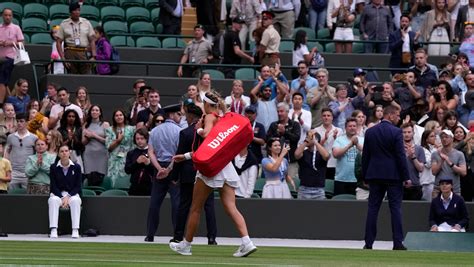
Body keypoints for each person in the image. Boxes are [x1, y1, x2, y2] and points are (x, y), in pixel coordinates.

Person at [169, 91, 257, 257]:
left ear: (207, 104)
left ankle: (186, 245)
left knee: (195, 208)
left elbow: (208, 137)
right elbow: (211, 148)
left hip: (212, 170)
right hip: (225, 166)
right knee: (231, 207)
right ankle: (247, 242)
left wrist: (199, 129)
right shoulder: (224, 118)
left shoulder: (209, 117)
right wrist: (187, 156)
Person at [362, 106, 410, 250]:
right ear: (390, 115)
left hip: (375, 175)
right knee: (395, 209)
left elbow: (366, 156)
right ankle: (397, 242)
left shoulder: (370, 132)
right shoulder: (396, 132)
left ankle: (368, 243)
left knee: (372, 209)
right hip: (393, 176)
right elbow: (401, 156)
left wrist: (365, 175)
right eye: (397, 115)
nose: (398, 118)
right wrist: (406, 176)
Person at [170, 103, 217, 244]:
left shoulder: (185, 133)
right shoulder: (210, 132)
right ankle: (212, 237)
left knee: (184, 205)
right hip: (205, 172)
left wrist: (174, 176)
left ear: (190, 115)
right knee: (208, 205)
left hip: (188, 173)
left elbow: (179, 156)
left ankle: (178, 236)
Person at [145, 104, 182, 242]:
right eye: (179, 114)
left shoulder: (154, 131)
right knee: (176, 203)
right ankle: (177, 235)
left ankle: (150, 234)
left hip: (158, 167)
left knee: (155, 202)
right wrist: (168, 169)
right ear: (173, 115)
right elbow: (179, 154)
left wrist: (159, 168)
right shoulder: (179, 131)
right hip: (173, 168)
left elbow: (150, 152)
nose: (180, 117)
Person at [48, 145, 82, 239]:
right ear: (58, 154)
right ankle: (53, 229)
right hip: (58, 194)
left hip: (72, 194)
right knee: (53, 200)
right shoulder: (53, 167)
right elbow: (53, 186)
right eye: (62, 151)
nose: (64, 153)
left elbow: (78, 186)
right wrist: (62, 197)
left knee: (75, 201)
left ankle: (75, 230)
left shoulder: (76, 167)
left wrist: (68, 196)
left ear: (69, 153)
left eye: (66, 151)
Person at [56, 2, 96, 74]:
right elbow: (58, 42)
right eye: (75, 10)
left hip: (84, 52)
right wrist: (63, 58)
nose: (77, 12)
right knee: (72, 76)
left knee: (85, 75)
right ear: (71, 12)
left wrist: (94, 56)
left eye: (78, 10)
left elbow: (92, 40)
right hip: (70, 52)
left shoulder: (86, 22)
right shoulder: (64, 24)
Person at [266, 102, 301, 178]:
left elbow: (296, 138)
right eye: (278, 111)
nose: (279, 113)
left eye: (281, 111)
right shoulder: (273, 125)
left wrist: (285, 132)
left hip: (290, 161)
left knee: (290, 185)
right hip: (275, 161)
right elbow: (267, 140)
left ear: (287, 112)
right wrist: (277, 134)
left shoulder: (295, 124)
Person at [4, 113, 37, 189]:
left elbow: (36, 154)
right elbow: (7, 151)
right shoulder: (10, 137)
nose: (19, 123)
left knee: (27, 197)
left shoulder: (34, 137)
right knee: (10, 196)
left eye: (21, 121)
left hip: (27, 172)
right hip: (13, 172)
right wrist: (7, 168)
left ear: (26, 122)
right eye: (17, 121)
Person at [0, 8, 24, 109]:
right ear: (2, 16)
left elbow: (22, 43)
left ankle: (1, 103)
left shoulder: (16, 28)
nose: (7, 17)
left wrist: (9, 43)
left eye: (9, 15)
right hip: (0, 57)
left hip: (10, 57)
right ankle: (10, 101)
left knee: (1, 81)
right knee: (4, 82)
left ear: (12, 16)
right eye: (6, 15)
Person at [431, 129, 467, 197]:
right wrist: (441, 160)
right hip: (438, 190)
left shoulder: (459, 154)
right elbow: (434, 172)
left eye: (446, 137)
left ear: (452, 139)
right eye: (442, 137)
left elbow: (463, 172)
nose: (444, 139)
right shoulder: (435, 154)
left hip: (454, 190)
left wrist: (450, 163)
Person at [332, 117, 363, 195]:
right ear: (345, 128)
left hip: (358, 180)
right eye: (350, 126)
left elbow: (367, 155)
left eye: (354, 126)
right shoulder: (339, 140)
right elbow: (335, 154)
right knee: (340, 205)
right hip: (341, 179)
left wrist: (357, 144)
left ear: (357, 127)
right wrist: (350, 145)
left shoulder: (363, 139)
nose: (352, 128)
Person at [294, 130, 329, 199]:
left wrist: (315, 142)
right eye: (307, 137)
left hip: (319, 190)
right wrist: (306, 141)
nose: (307, 138)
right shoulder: (303, 153)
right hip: (304, 189)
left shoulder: (321, 153)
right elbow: (296, 154)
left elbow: (326, 156)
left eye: (310, 137)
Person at [105, 110, 135, 188]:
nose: (119, 117)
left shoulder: (131, 129)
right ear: (114, 118)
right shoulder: (109, 130)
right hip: (114, 160)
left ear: (124, 116)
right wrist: (118, 141)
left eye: (120, 115)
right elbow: (108, 147)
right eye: (116, 115)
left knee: (125, 182)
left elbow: (133, 145)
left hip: (127, 159)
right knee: (113, 181)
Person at [82, 105, 109, 186]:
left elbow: (108, 142)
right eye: (93, 110)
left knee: (102, 175)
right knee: (89, 176)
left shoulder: (105, 124)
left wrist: (94, 136)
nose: (94, 112)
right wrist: (88, 137)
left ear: (100, 113)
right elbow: (83, 142)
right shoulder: (86, 125)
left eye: (97, 110)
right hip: (89, 154)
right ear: (90, 112)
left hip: (102, 154)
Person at [125, 128, 154, 196]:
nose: (139, 141)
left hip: (149, 186)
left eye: (142, 138)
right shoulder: (131, 153)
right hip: (134, 186)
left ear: (147, 139)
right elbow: (127, 170)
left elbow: (155, 172)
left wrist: (148, 164)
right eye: (137, 139)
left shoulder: (153, 152)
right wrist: (137, 162)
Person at [401, 123, 426, 200]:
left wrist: (413, 157)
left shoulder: (419, 149)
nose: (406, 134)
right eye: (404, 132)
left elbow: (421, 169)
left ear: (413, 133)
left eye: (409, 132)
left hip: (415, 186)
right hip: (399, 186)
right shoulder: (397, 148)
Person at [420, 130, 437, 201]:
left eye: (435, 136)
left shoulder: (434, 149)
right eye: (432, 136)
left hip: (433, 182)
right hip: (426, 182)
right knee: (426, 205)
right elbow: (428, 164)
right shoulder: (422, 149)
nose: (434, 138)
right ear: (426, 139)